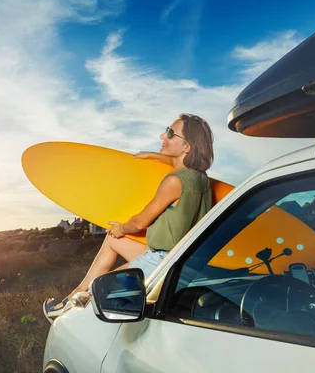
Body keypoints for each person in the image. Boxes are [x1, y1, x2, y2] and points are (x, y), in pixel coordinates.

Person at [43, 113, 214, 320]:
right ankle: (73, 296)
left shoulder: (174, 181)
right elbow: (180, 160)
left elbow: (140, 221)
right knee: (112, 240)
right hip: (182, 259)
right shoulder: (201, 178)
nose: (163, 136)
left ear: (187, 147)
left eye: (170, 133)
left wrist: (122, 227)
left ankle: (69, 310)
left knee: (99, 285)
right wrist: (154, 156)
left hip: (162, 262)